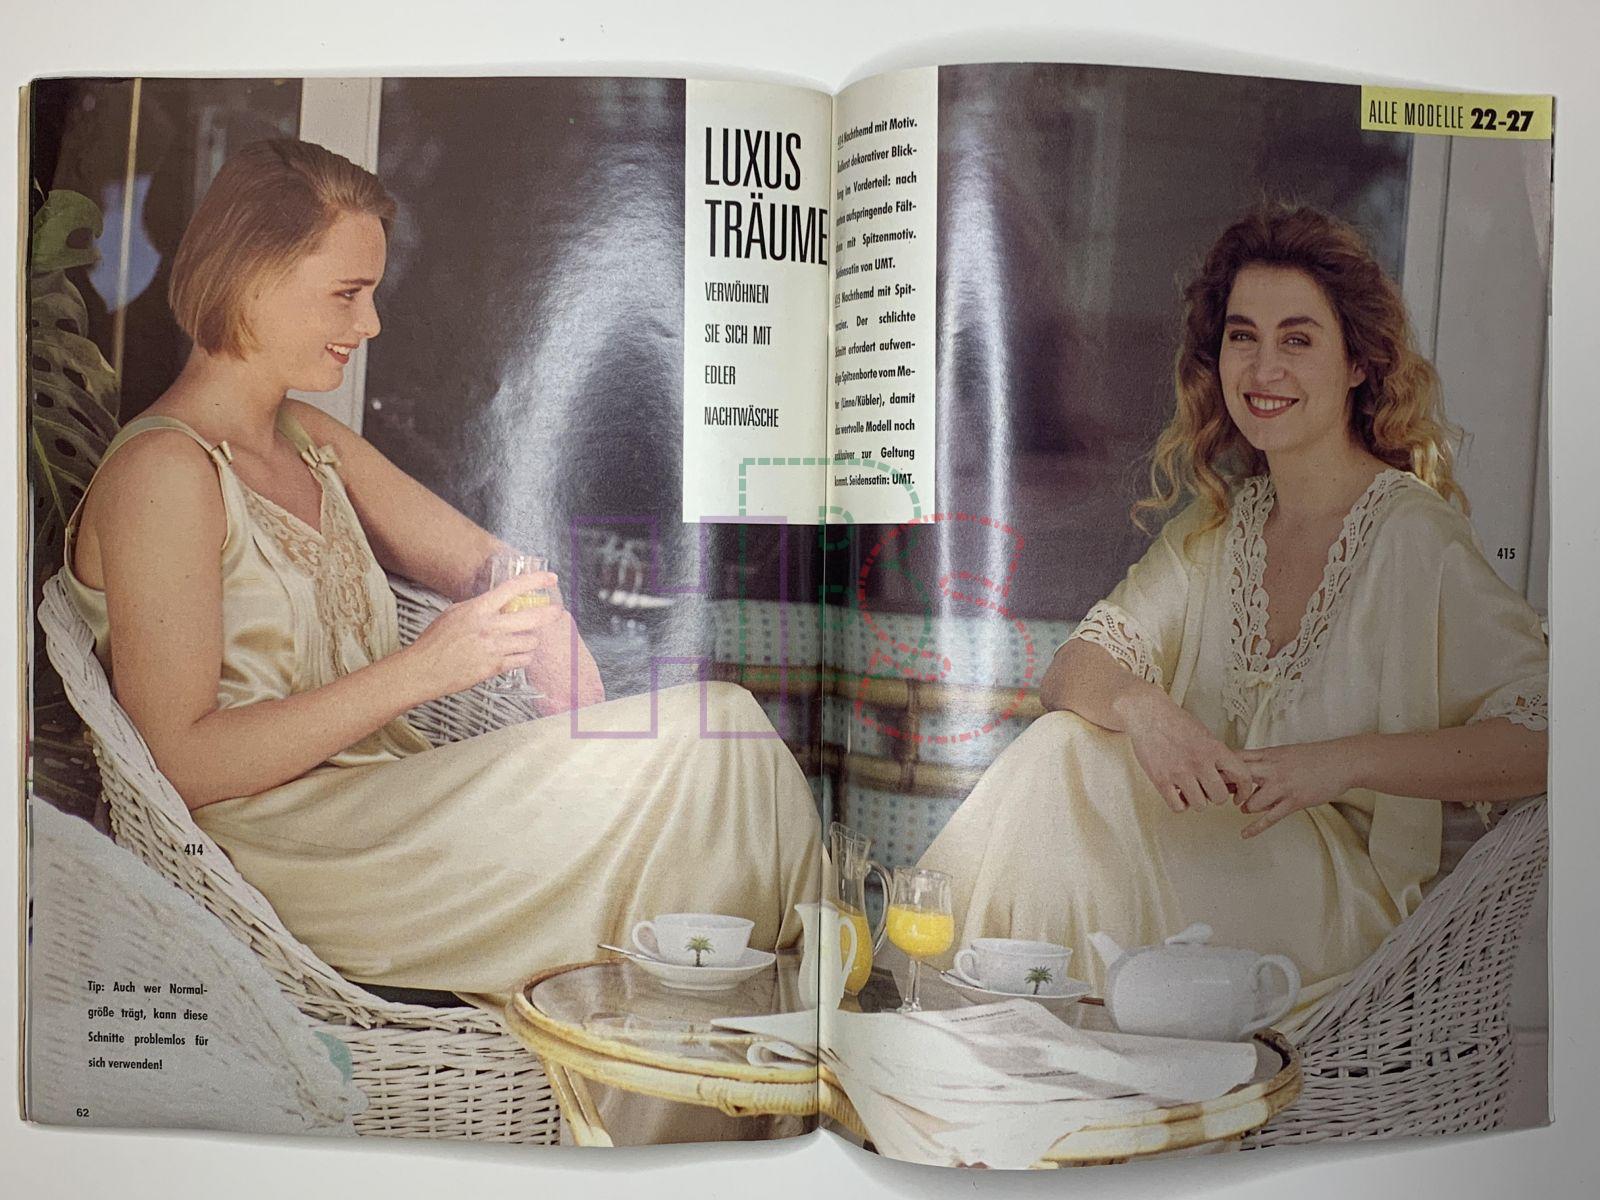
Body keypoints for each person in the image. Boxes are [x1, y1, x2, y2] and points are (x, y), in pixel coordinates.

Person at [57, 139, 820, 1050]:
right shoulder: (163, 474)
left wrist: (546, 620)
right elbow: (179, 762)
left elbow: (484, 564)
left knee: (720, 750)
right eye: (347, 293)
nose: (371, 322)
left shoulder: (307, 438)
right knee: (708, 741)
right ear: (251, 280)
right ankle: (790, 1038)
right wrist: (425, 670)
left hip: (397, 809)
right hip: (288, 859)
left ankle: (756, 1045)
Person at [916, 203, 1548, 1032]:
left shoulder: (1414, 538)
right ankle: (1011, 1033)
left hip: (1336, 908)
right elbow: (1073, 668)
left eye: (1298, 339)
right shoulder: (1219, 530)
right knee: (1066, 746)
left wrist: (1342, 763)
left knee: (1067, 783)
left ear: (1359, 363)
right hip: (1211, 853)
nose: (1263, 367)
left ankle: (957, 1014)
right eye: (1242, 336)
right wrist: (1144, 708)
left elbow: (1552, 736)